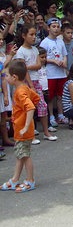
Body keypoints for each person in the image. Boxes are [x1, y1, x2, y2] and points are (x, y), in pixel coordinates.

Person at [0, 60, 39, 192]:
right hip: (21, 129)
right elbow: (36, 98)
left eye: (7, 76)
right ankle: (15, 179)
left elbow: (30, 107)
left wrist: (26, 125)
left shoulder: (20, 92)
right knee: (20, 155)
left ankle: (30, 180)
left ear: (14, 77)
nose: (5, 78)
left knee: (25, 155)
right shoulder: (24, 88)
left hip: (23, 130)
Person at [15, 23, 58, 142]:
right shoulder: (21, 51)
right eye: (31, 34)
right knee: (28, 109)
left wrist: (27, 67)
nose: (34, 37)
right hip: (26, 83)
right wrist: (31, 85)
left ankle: (46, 132)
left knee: (42, 105)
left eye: (34, 34)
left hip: (36, 80)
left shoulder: (35, 49)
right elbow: (23, 71)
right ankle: (30, 135)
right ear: (24, 36)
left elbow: (39, 65)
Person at [40, 18, 68, 126]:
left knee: (60, 95)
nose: (56, 29)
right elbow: (42, 58)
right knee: (50, 96)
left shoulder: (60, 41)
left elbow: (64, 54)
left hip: (61, 73)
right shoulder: (45, 42)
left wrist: (64, 62)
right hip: (50, 73)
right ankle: (51, 116)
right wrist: (53, 61)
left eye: (57, 27)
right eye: (53, 27)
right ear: (48, 28)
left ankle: (60, 115)